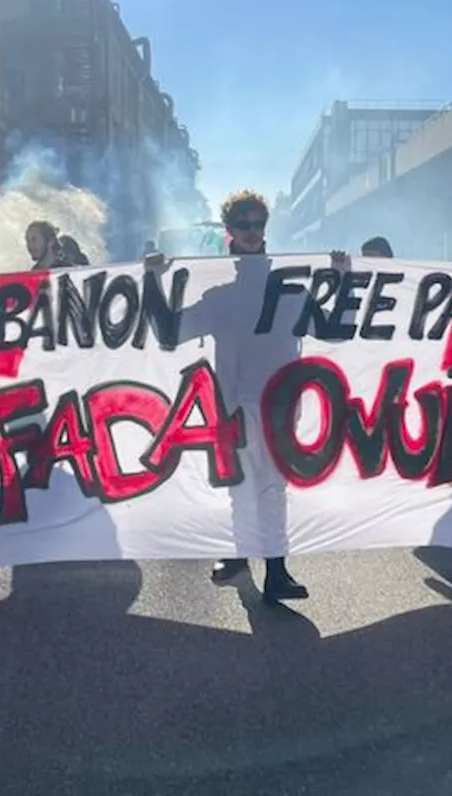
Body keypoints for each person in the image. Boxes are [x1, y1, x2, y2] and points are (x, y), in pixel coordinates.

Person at [147, 190, 308, 603]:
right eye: (244, 225)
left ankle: (275, 570)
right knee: (240, 484)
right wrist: (152, 280)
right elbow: (169, 332)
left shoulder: (293, 288)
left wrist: (342, 276)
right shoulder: (219, 295)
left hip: (279, 401)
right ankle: (241, 555)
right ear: (229, 232)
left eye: (259, 225)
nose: (253, 232)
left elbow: (336, 326)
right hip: (234, 403)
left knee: (272, 486)